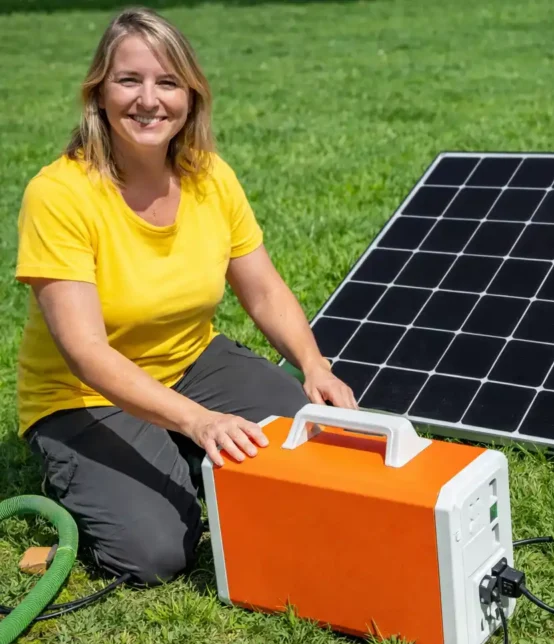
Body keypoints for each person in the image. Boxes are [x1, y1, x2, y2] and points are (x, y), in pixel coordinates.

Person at [13, 6, 357, 587]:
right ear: (99, 93)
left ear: (191, 96)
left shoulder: (210, 176)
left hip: (191, 361)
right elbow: (85, 352)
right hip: (82, 396)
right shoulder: (59, 194)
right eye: (129, 80)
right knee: (156, 553)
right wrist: (199, 422)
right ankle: (86, 472)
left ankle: (179, 450)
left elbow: (264, 288)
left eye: (168, 82)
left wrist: (314, 364)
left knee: (319, 448)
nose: (149, 100)